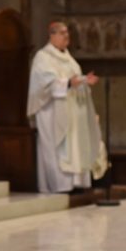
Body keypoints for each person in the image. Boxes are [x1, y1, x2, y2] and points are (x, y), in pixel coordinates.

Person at [27, 22, 109, 193]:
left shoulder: (70, 59)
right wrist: (68, 83)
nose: (66, 36)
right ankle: (60, 186)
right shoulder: (43, 58)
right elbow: (43, 85)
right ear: (52, 35)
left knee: (75, 146)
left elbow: (75, 81)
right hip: (52, 113)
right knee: (57, 148)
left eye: (67, 33)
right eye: (62, 33)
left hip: (73, 113)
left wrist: (86, 80)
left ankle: (76, 184)